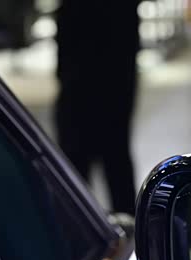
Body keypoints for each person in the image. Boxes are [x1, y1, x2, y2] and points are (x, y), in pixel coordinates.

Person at [55, 0, 140, 215]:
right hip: (112, 79)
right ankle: (126, 223)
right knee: (115, 161)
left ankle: (77, 224)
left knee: (81, 164)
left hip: (86, 80)